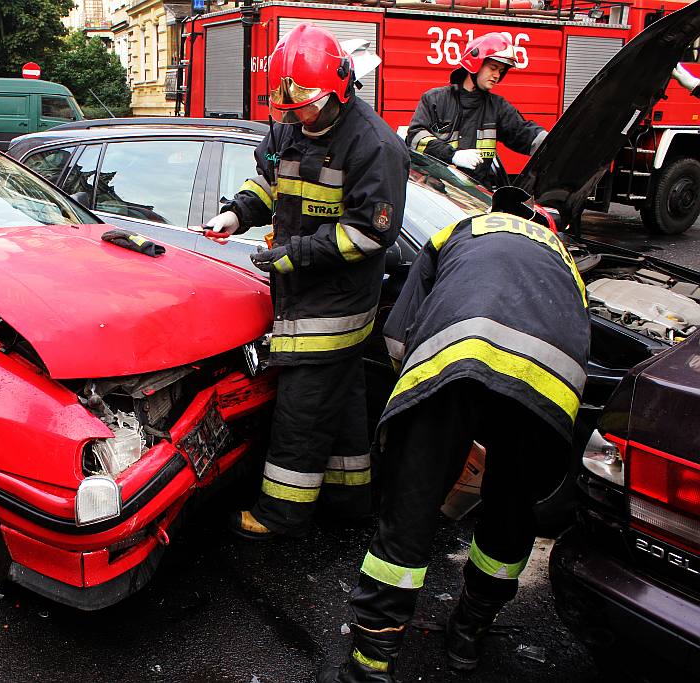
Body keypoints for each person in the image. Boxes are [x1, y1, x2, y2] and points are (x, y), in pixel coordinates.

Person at [318, 186, 590, 682]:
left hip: (454, 362)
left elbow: (399, 333)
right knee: (510, 512)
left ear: (496, 210)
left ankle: (371, 666)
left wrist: (416, 415)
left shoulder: (459, 231)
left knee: (409, 516)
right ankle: (469, 634)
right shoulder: (564, 261)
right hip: (547, 386)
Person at [203, 23, 409, 539]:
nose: (296, 117)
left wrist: (291, 256)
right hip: (301, 294)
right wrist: (237, 214)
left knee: (302, 410)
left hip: (336, 302)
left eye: (305, 107)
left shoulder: (373, 145)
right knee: (341, 407)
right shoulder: (289, 129)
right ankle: (348, 501)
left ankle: (279, 515)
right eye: (286, 108)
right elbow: (268, 183)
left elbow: (369, 235)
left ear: (339, 90)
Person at [407, 33, 547, 188]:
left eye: (500, 71)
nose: (496, 75)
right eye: (493, 68)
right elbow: (415, 138)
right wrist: (451, 155)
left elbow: (523, 133)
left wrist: (552, 143)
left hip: (476, 197)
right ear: (475, 64)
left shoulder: (497, 107)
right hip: (436, 193)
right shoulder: (435, 99)